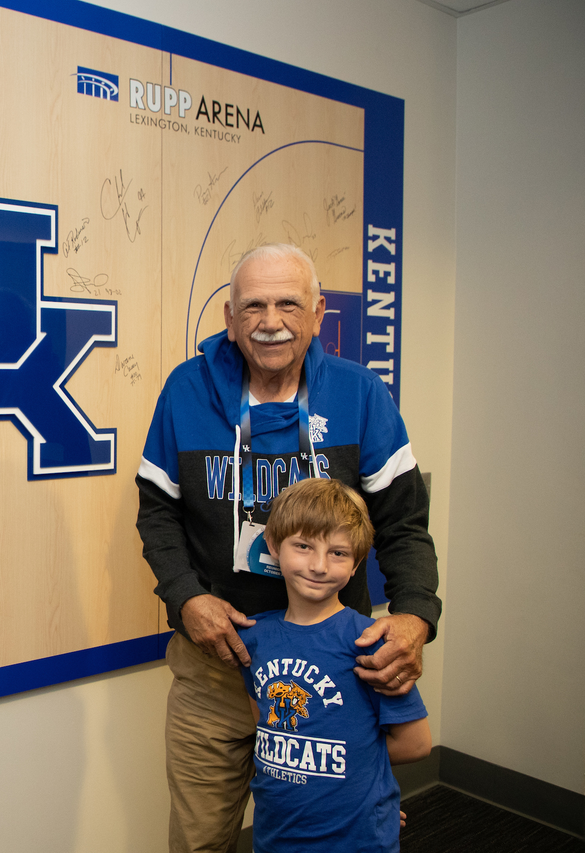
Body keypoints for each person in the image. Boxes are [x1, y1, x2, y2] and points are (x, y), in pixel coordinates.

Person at [135, 243, 440, 853]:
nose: (270, 321)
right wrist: (187, 598)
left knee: (329, 831)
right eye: (253, 305)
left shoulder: (360, 394)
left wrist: (414, 617)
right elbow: (157, 512)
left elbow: (404, 524)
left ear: (318, 311)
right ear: (229, 316)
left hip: (334, 670)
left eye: (287, 303)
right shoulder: (185, 391)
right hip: (216, 668)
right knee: (199, 841)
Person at [241, 477, 431, 852]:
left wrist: (367, 783)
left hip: (356, 839)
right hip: (275, 836)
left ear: (357, 562)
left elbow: (416, 744)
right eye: (303, 546)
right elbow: (265, 724)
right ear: (275, 547)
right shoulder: (254, 636)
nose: (319, 565)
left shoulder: (370, 641)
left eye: (338, 553)